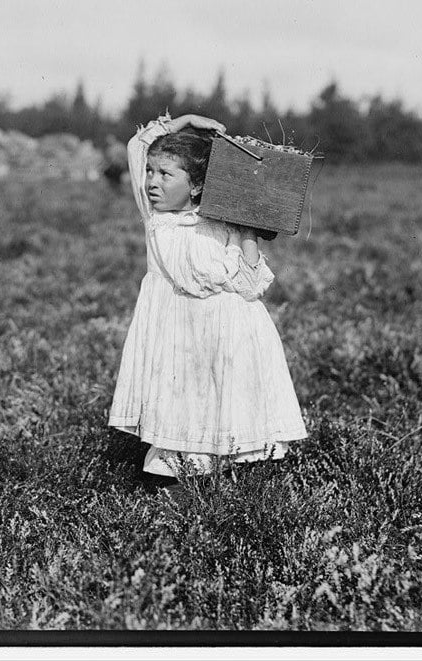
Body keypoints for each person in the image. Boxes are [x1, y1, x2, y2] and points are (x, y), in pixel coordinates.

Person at [108, 113, 307, 485]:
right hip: (178, 334)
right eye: (151, 172)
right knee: (183, 404)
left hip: (231, 335)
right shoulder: (156, 218)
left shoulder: (223, 224)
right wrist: (182, 122)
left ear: (196, 186)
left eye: (166, 175)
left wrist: (247, 227)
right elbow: (138, 147)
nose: (152, 181)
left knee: (228, 404)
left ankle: (236, 484)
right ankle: (176, 483)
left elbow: (251, 287)